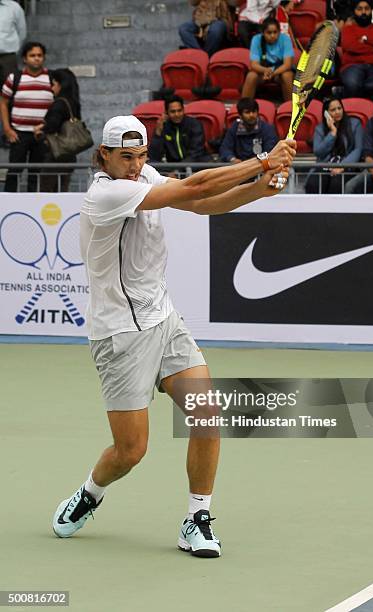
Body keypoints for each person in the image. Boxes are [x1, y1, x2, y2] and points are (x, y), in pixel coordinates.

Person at [51, 115, 296, 557]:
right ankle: (90, 492)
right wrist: (262, 160)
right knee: (131, 452)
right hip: (120, 335)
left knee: (206, 414)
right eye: (126, 156)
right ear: (103, 155)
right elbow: (195, 189)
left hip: (164, 321)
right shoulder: (105, 193)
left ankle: (196, 520)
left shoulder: (142, 175)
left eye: (142, 155)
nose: (135, 164)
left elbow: (202, 205)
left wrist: (258, 189)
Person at [0, 41, 53, 191]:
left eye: (39, 55)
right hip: (18, 134)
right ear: (25, 58)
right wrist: (7, 129)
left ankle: (33, 207)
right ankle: (8, 206)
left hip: (41, 135)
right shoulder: (14, 78)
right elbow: (3, 103)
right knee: (14, 172)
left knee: (35, 173)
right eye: (32, 55)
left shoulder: (51, 78)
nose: (36, 58)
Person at [32, 68, 81, 192]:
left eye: (53, 84)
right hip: (69, 154)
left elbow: (53, 125)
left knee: (47, 189)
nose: (52, 88)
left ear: (60, 84)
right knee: (62, 189)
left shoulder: (59, 104)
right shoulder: (73, 103)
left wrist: (40, 130)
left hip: (56, 153)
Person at [305, 97, 363, 194]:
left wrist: (342, 166)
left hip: (346, 166)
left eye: (339, 108)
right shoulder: (320, 129)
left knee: (336, 184)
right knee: (313, 184)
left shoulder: (355, 124)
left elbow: (358, 149)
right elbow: (318, 152)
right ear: (326, 113)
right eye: (333, 110)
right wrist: (332, 133)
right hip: (325, 166)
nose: (337, 112)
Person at [339, 0, 373, 99]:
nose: (363, 12)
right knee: (352, 83)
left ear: (372, 10)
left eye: (367, 8)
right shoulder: (348, 29)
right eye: (359, 9)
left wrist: (366, 40)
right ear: (354, 11)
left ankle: (349, 92)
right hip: (353, 66)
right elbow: (350, 46)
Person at [241, 16, 294, 101]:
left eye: (275, 32)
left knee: (287, 75)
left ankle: (290, 108)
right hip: (263, 70)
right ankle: (245, 106)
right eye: (269, 33)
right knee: (251, 76)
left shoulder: (285, 39)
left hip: (280, 71)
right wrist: (265, 70)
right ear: (263, 32)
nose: (272, 35)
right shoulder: (256, 39)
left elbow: (287, 65)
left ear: (279, 32)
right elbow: (254, 65)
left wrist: (273, 73)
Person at [148, 95, 210, 163]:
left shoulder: (195, 124)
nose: (177, 114)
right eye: (173, 111)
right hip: (173, 167)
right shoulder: (164, 127)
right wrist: (158, 132)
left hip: (196, 165)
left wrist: (177, 170)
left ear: (183, 110)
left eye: (179, 110)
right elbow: (154, 156)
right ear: (166, 113)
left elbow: (196, 153)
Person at [220, 97, 278, 162]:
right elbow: (225, 149)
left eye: (254, 111)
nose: (251, 115)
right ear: (240, 115)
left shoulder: (268, 129)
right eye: (247, 112)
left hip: (261, 166)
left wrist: (255, 163)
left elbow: (270, 151)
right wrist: (232, 159)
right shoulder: (233, 129)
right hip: (239, 167)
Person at [0, 0, 26, 89]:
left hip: (8, 58)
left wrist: (15, 50)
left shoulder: (14, 8)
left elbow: (22, 32)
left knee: (10, 89)